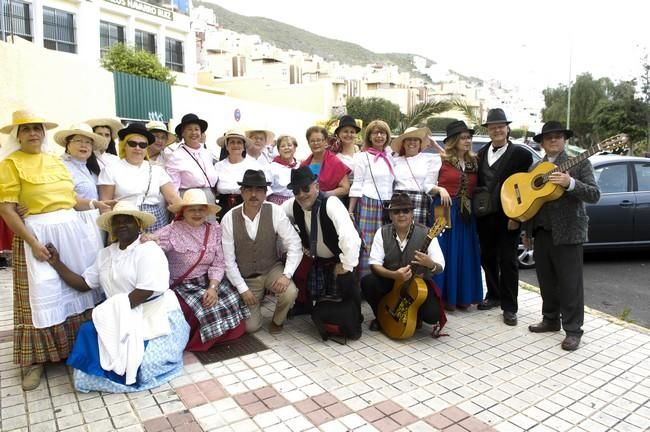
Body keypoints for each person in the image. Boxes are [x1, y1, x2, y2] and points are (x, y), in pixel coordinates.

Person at [0, 110, 105, 390]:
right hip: (38, 234)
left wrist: (96, 205)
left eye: (37, 128)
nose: (33, 133)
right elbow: (8, 210)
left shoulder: (54, 162)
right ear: (17, 135)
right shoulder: (10, 163)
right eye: (26, 129)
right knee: (41, 295)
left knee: (74, 291)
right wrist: (32, 242)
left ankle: (74, 353)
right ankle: (35, 361)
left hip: (71, 233)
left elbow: (71, 200)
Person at [46, 201, 190, 392]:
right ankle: (95, 374)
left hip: (152, 312)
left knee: (144, 364)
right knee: (88, 331)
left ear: (138, 224)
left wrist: (103, 312)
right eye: (117, 222)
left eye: (127, 221)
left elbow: (144, 291)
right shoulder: (105, 254)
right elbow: (84, 284)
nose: (121, 225)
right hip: (120, 313)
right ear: (111, 228)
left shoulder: (148, 250)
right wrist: (57, 263)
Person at [525, 121, 600, 351]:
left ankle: (573, 330)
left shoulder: (579, 163)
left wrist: (570, 183)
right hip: (542, 232)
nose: (554, 140)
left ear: (564, 140)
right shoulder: (535, 168)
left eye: (558, 136)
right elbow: (530, 201)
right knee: (546, 281)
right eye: (549, 138)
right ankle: (550, 319)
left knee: (570, 284)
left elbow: (594, 194)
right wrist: (528, 233)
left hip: (569, 233)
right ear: (542, 143)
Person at [148, 189, 250, 351]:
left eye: (201, 209)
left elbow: (218, 262)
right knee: (205, 308)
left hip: (208, 280)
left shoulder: (214, 230)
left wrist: (212, 287)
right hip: (182, 285)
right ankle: (200, 342)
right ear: (183, 211)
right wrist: (148, 239)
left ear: (206, 211)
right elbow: (150, 246)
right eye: (192, 209)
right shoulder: (171, 231)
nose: (197, 213)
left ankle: (222, 337)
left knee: (231, 298)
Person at [221, 170, 302, 334]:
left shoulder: (275, 211)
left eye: (258, 190)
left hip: (271, 268)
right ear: (241, 192)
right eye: (248, 189)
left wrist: (286, 275)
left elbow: (294, 243)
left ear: (265, 193)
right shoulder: (229, 218)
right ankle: (255, 303)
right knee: (251, 327)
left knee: (290, 292)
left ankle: (278, 321)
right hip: (247, 276)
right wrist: (242, 289)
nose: (253, 194)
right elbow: (228, 261)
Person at [475, 108, 533, 326]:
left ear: (507, 129)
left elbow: (526, 190)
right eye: (492, 127)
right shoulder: (481, 154)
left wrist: (518, 217)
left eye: (500, 126)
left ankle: (510, 307)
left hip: (509, 217)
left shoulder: (522, 155)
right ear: (488, 130)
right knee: (487, 257)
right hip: (485, 216)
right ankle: (494, 294)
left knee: (508, 261)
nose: (497, 130)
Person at [360, 193, 446, 335]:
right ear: (390, 215)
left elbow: (440, 266)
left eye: (406, 211)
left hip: (417, 285)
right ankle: (381, 317)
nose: (401, 215)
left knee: (432, 315)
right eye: (396, 211)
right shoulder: (382, 232)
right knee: (368, 282)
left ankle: (413, 316)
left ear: (412, 214)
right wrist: (394, 275)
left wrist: (430, 263)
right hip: (392, 281)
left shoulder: (427, 233)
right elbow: (374, 264)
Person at [282, 167, 361, 314]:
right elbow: (276, 218)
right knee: (299, 266)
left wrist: (346, 264)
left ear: (316, 186)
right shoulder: (293, 205)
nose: (301, 194)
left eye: (305, 188)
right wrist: (295, 239)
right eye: (296, 191)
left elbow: (349, 236)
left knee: (347, 285)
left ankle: (354, 316)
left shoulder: (331, 203)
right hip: (316, 258)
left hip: (339, 258)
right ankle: (304, 304)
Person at [431, 121, 483, 310]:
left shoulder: (474, 161)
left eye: (469, 137)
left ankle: (462, 296)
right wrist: (440, 189)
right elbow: (427, 184)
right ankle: (442, 297)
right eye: (463, 137)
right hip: (444, 208)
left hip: (466, 213)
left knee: (464, 253)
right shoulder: (440, 159)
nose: (467, 140)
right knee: (444, 251)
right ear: (454, 140)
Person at [98, 123, 181, 232]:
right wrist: (110, 231)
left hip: (155, 222)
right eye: (133, 144)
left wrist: (184, 216)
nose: (138, 148)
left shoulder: (156, 170)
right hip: (124, 222)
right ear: (125, 145)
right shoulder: (110, 169)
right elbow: (105, 205)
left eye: (142, 145)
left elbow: (173, 198)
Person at [54, 123, 113, 250]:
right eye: (78, 141)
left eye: (88, 142)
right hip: (74, 223)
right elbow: (67, 197)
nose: (84, 145)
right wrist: (94, 204)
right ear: (68, 145)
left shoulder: (93, 168)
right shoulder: (60, 166)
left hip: (95, 223)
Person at [349, 120, 395, 276]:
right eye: (375, 132)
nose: (379, 136)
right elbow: (357, 183)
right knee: (368, 244)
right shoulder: (362, 157)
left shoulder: (390, 157)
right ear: (369, 136)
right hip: (368, 203)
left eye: (382, 132)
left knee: (386, 243)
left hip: (388, 206)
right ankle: (365, 281)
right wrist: (351, 210)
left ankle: (383, 279)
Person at [165, 113, 218, 204]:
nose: (194, 133)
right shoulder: (175, 156)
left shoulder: (207, 153)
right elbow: (173, 188)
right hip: (188, 201)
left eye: (196, 129)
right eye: (189, 129)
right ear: (183, 133)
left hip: (209, 200)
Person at [391, 127, 439, 226]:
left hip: (420, 201)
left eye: (415, 139)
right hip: (398, 200)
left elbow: (451, 158)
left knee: (419, 236)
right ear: (403, 143)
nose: (412, 142)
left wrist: (436, 146)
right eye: (408, 139)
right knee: (398, 236)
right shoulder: (394, 160)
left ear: (420, 143)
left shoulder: (429, 159)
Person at [214, 129, 267, 219]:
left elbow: (262, 189)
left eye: (239, 142)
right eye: (232, 142)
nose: (236, 145)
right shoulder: (218, 166)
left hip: (247, 206)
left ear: (243, 146)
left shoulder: (253, 165)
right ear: (226, 146)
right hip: (224, 207)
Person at [301, 126, 351, 199]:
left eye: (319, 140)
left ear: (325, 142)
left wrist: (325, 195)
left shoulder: (335, 162)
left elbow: (345, 188)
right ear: (308, 143)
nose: (315, 143)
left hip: (329, 204)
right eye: (312, 141)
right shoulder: (304, 165)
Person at [268, 135, 299, 205]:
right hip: (277, 203)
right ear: (278, 150)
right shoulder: (272, 167)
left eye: (289, 145)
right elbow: (266, 187)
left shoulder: (299, 166)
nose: (286, 148)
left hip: (297, 202)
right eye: (283, 146)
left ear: (295, 148)